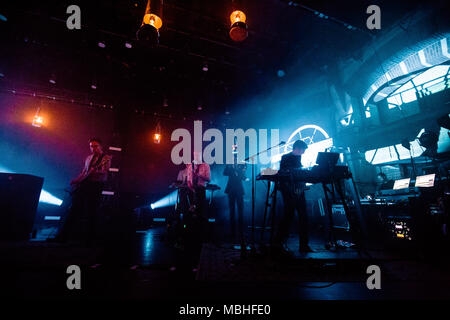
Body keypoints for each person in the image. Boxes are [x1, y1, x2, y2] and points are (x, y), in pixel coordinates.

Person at [54, 138, 111, 245]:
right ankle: (63, 236)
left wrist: (95, 172)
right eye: (91, 146)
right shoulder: (88, 158)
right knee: (74, 209)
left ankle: (89, 239)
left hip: (96, 186)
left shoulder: (106, 158)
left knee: (92, 211)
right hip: (85, 185)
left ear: (100, 146)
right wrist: (76, 180)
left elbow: (104, 173)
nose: (93, 148)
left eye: (95, 146)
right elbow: (84, 172)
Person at [274, 139, 313, 253]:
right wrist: (291, 189)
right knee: (288, 216)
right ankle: (279, 242)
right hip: (289, 192)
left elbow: (299, 174)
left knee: (303, 217)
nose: (304, 153)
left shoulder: (298, 158)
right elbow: (284, 174)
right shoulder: (286, 157)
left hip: (299, 191)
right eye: (303, 150)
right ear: (297, 148)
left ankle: (304, 245)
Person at [223, 151, 247, 251]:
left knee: (240, 211)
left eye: (236, 157)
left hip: (239, 189)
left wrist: (236, 170)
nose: (234, 158)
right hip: (231, 190)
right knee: (232, 211)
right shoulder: (229, 165)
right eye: (233, 157)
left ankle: (241, 231)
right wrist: (230, 167)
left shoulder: (242, 165)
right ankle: (232, 232)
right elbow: (224, 173)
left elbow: (242, 176)